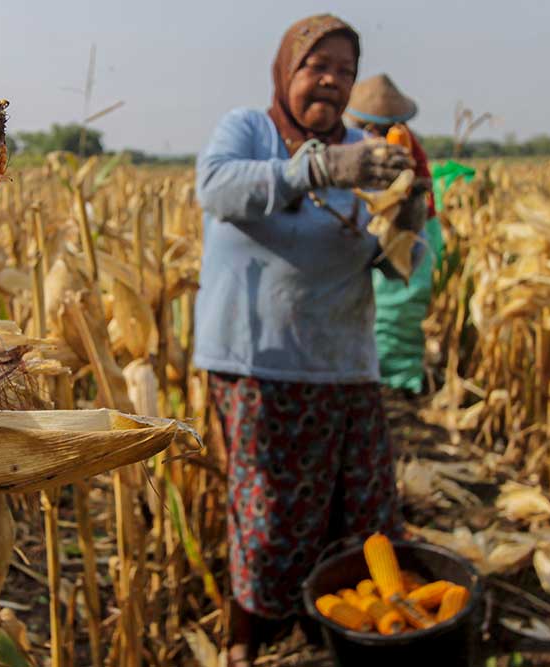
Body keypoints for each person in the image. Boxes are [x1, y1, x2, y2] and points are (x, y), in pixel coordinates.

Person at [193, 15, 429, 666]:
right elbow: (216, 189)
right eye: (316, 65)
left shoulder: (371, 153)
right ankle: (248, 634)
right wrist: (320, 167)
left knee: (360, 509)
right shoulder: (250, 130)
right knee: (270, 517)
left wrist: (408, 215)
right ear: (286, 70)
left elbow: (397, 265)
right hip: (260, 364)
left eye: (345, 70)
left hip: (345, 365)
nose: (331, 79)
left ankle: (341, 628)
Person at [344, 74, 443, 396]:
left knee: (397, 306)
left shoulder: (396, 142)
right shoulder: (365, 142)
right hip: (392, 229)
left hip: (410, 232)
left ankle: (397, 380)